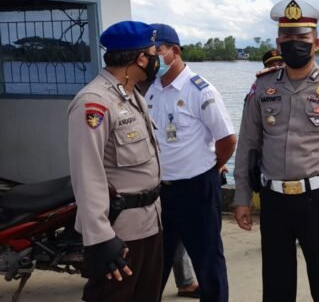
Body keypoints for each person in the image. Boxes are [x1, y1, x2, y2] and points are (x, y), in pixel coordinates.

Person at [232, 0, 319, 302]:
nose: (294, 44)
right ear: (278, 42)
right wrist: (241, 197)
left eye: (302, 39)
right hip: (273, 199)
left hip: (317, 201)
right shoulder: (262, 87)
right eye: (287, 38)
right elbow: (248, 144)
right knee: (276, 285)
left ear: (316, 43)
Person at [67, 21, 163, 302]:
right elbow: (87, 174)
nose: (157, 60)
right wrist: (100, 238)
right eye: (152, 53)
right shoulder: (94, 102)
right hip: (118, 232)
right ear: (140, 59)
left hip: (149, 224)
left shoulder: (132, 94)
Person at [145, 23, 236, 302]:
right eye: (148, 52)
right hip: (160, 192)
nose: (152, 58)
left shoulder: (201, 90)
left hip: (197, 189)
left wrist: (211, 166)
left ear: (174, 51)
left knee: (207, 260)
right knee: (154, 263)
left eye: (157, 51)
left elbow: (227, 139)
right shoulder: (149, 89)